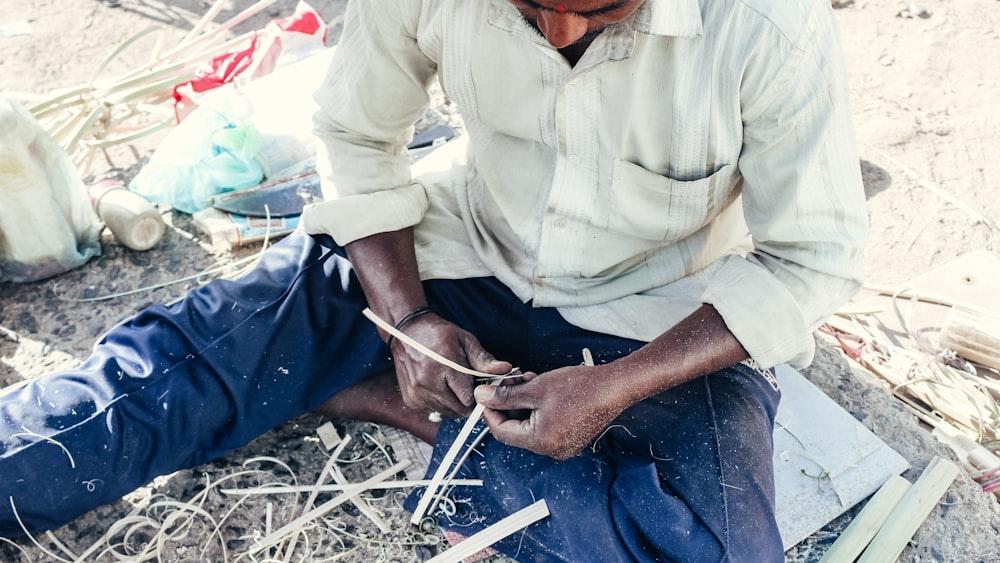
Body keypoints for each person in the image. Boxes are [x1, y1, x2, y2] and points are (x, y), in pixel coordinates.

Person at [0, 0, 868, 560]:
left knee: (713, 549)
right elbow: (354, 134)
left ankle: (399, 406)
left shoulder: (769, 26)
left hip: (647, 311)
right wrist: (406, 312)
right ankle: (380, 374)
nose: (559, 34)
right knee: (156, 383)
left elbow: (810, 260)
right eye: (529, 6)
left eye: (599, 9)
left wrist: (615, 386)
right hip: (451, 254)